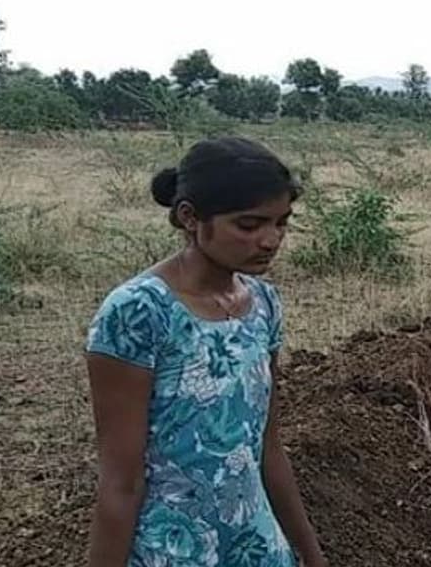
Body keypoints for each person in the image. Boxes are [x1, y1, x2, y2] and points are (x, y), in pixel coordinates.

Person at [85, 138, 326, 567]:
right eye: (249, 225)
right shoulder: (138, 313)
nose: (271, 240)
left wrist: (310, 553)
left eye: (282, 223)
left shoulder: (263, 304)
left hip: (255, 545)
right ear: (189, 218)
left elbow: (267, 447)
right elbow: (121, 481)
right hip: (172, 550)